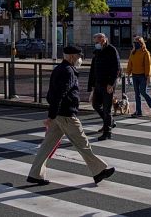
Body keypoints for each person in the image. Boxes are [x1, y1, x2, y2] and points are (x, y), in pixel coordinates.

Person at [27, 46, 115, 186]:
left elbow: (52, 94)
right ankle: (99, 171)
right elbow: (59, 94)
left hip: (59, 115)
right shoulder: (68, 72)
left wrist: (53, 115)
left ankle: (35, 174)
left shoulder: (59, 69)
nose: (80, 59)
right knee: (83, 144)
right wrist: (51, 116)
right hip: (67, 115)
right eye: (79, 56)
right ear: (72, 57)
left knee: (46, 146)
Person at [88, 33, 121, 141]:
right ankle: (109, 122)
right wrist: (92, 85)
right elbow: (93, 68)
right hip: (98, 83)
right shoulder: (97, 51)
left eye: (97, 42)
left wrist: (111, 83)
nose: (96, 44)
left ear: (103, 40)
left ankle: (108, 132)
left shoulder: (111, 50)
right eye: (95, 42)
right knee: (95, 104)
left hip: (108, 84)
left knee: (107, 109)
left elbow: (116, 67)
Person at [126, 35, 151, 117]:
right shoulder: (133, 52)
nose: (135, 44)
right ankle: (138, 111)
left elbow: (148, 65)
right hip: (134, 75)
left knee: (143, 92)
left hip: (142, 76)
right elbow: (130, 64)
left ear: (141, 43)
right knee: (137, 94)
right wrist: (128, 75)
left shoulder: (145, 52)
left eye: (137, 42)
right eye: (134, 42)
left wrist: (148, 77)